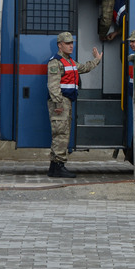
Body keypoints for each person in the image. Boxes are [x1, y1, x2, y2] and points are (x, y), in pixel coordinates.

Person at [45, 32, 103, 178]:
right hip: (61, 102)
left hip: (66, 101)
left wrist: (96, 60)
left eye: (72, 43)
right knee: (61, 134)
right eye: (67, 43)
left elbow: (83, 68)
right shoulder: (56, 62)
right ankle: (58, 166)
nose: (71, 46)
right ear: (60, 45)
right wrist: (58, 103)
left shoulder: (70, 61)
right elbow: (53, 86)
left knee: (62, 133)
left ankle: (54, 167)